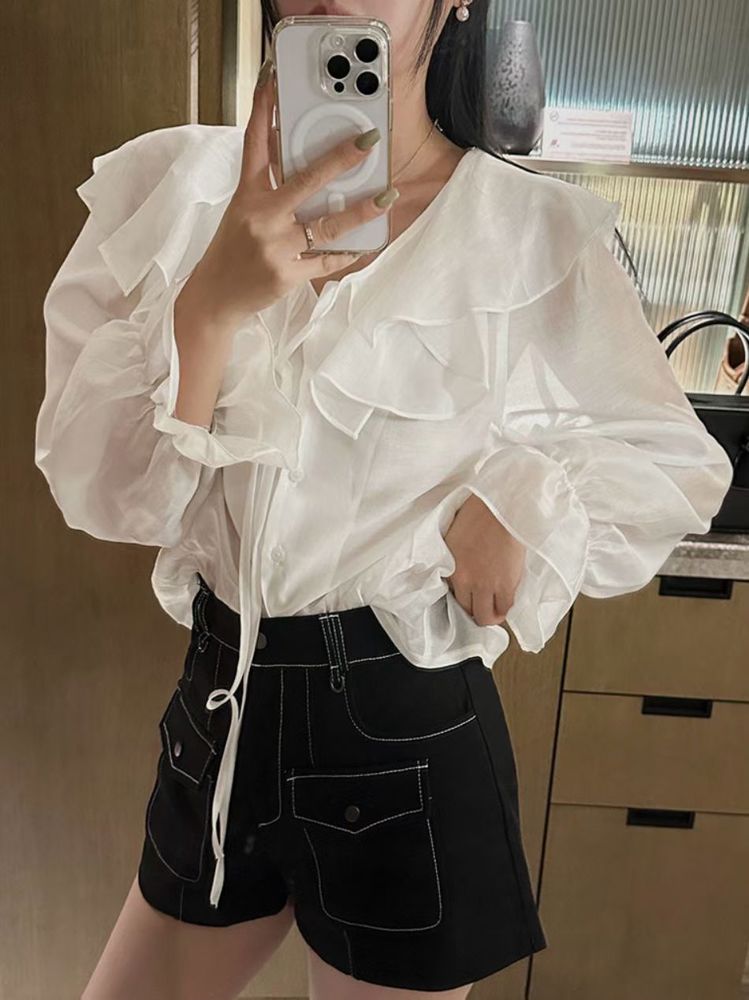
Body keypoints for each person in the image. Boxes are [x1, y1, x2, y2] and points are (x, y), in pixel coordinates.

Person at [34, 0, 734, 997]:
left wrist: (522, 499)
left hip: (401, 726)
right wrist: (208, 309)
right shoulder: (169, 189)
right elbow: (106, 494)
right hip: (217, 712)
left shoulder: (526, 229)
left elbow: (671, 459)